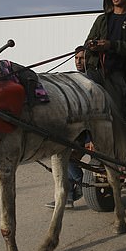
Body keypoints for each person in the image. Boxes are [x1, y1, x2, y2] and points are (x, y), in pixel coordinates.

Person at [84, 0, 126, 120]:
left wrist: (111, 45)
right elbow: (87, 42)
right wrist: (92, 46)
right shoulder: (102, 19)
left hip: (120, 74)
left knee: (117, 113)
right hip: (98, 71)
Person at [45, 47, 90, 209]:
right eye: (77, 58)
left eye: (82, 58)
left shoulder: (93, 79)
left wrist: (91, 138)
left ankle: (81, 182)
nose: (78, 61)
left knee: (66, 158)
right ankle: (69, 196)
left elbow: (94, 111)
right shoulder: (72, 77)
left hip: (86, 131)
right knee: (63, 156)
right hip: (72, 128)